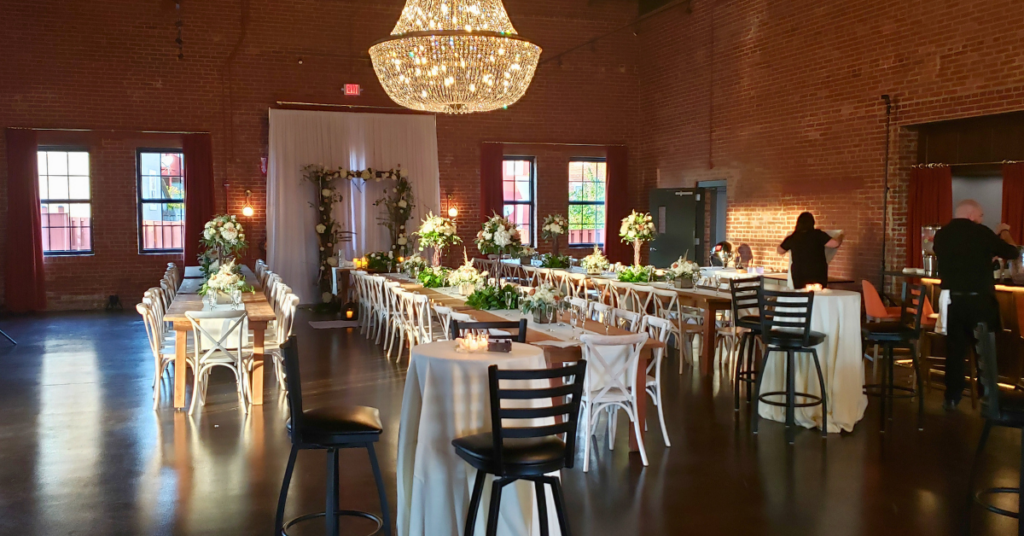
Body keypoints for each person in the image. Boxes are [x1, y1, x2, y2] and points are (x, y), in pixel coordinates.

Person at [933, 199, 1018, 411]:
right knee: (985, 350)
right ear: (972, 215)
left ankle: (951, 398)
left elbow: (959, 261)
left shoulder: (941, 235)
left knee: (955, 352)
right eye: (980, 216)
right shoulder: (981, 233)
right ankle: (987, 396)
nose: (981, 220)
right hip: (980, 301)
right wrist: (1004, 231)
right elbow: (1013, 252)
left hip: (955, 300)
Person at [777, 212, 843, 288]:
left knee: (802, 297)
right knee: (819, 296)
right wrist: (840, 236)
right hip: (818, 273)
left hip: (799, 274)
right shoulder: (818, 234)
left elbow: (780, 250)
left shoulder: (793, 237)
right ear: (812, 223)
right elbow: (835, 244)